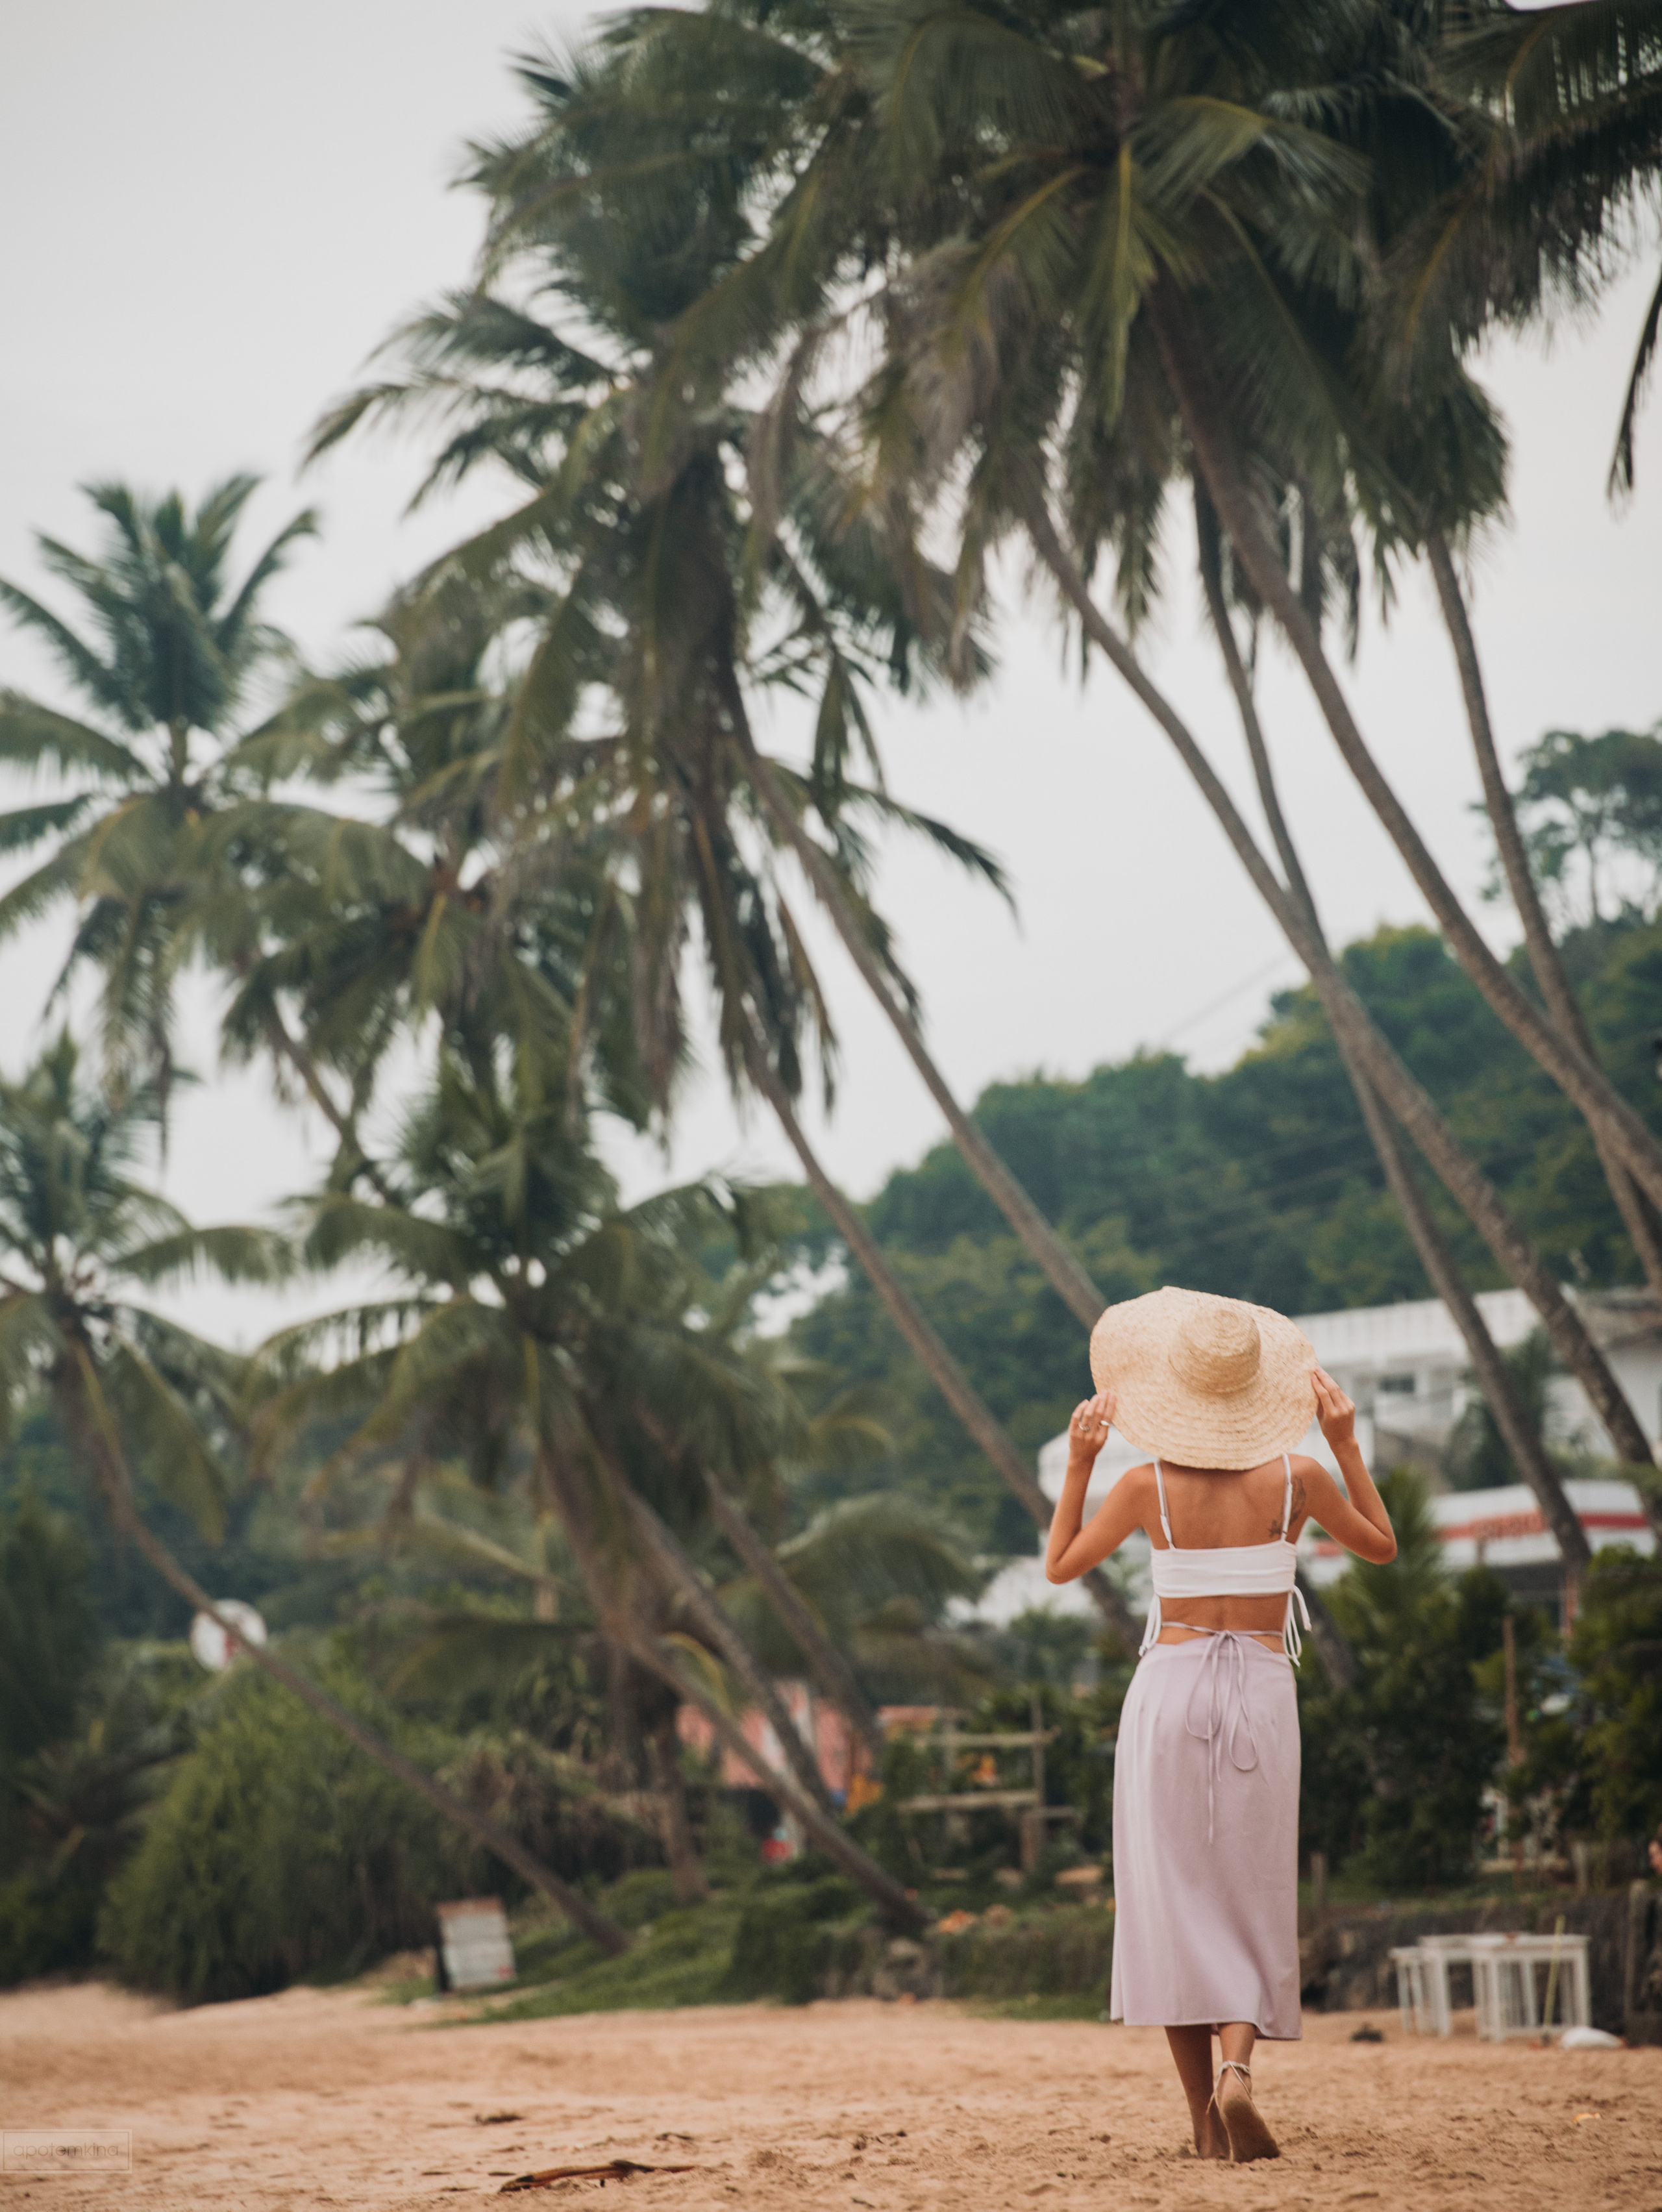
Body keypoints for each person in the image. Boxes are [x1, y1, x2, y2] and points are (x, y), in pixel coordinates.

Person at [1045, 1286, 1396, 2164]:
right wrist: (1347, 1446)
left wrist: (1082, 1463)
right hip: (1262, 1691)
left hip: (1169, 1689)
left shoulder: (1143, 1487)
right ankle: (1237, 2072)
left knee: (1173, 1900)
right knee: (1251, 1890)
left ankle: (1203, 2127)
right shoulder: (1298, 1477)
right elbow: (1384, 1545)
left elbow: (1059, 1567)